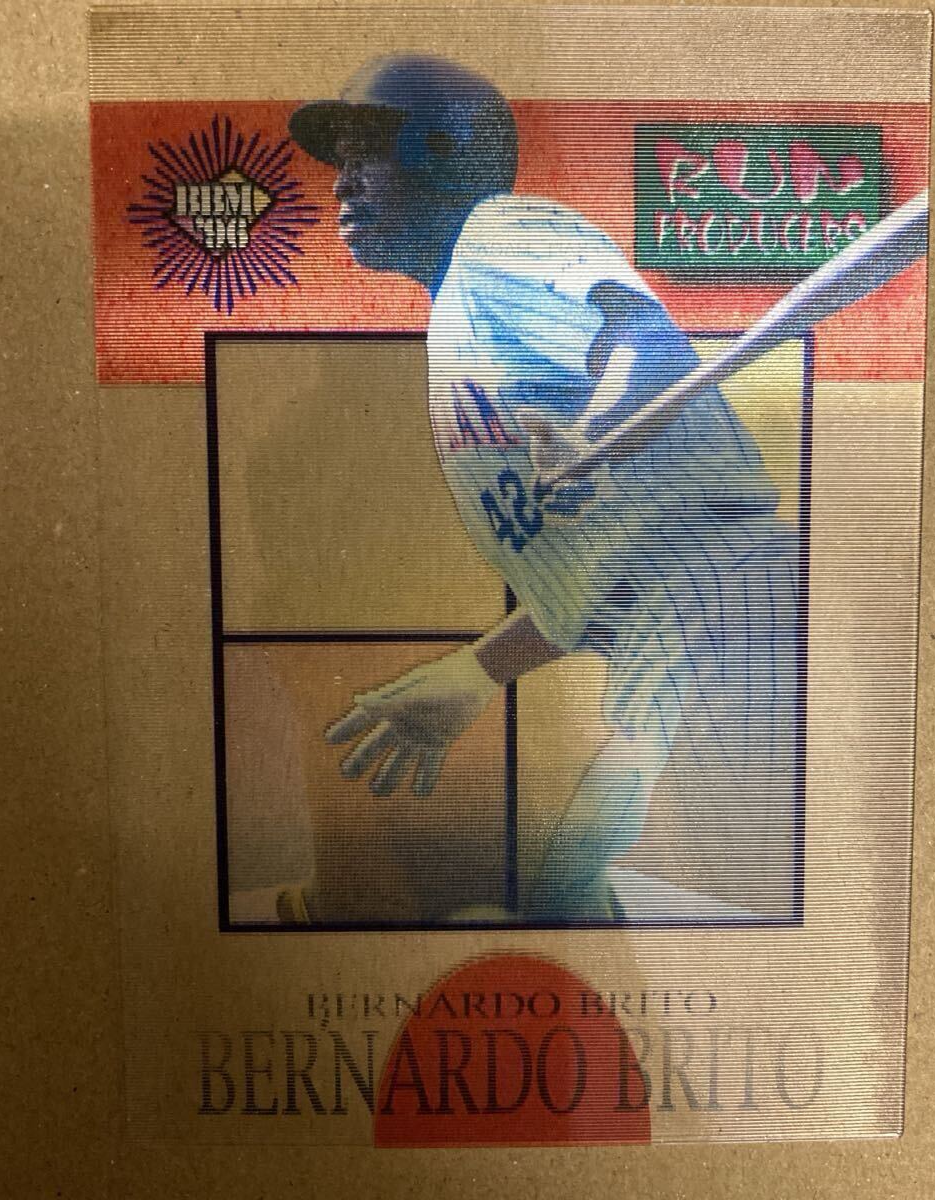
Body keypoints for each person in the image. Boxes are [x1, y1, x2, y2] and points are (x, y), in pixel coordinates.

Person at [285, 54, 800, 923]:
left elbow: (643, 338)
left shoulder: (499, 231)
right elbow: (600, 581)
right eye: (339, 161)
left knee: (734, 912)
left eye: (365, 152)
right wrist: (474, 673)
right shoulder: (464, 321)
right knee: (566, 899)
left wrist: (599, 432)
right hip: (672, 635)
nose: (342, 183)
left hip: (727, 605)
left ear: (442, 150)